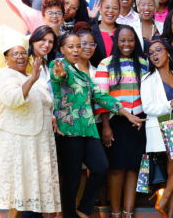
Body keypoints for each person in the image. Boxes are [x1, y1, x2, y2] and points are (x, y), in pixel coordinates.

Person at [50, 32, 145, 218]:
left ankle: (83, 210)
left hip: (89, 130)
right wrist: (60, 74)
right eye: (71, 46)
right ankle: (70, 215)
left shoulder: (84, 75)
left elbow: (101, 96)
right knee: (73, 179)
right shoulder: (59, 66)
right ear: (61, 49)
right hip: (69, 131)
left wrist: (127, 114)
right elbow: (58, 77)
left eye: (79, 46)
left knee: (101, 167)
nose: (76, 50)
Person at [0, 26, 61, 217]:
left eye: (22, 53)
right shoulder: (6, 76)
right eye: (14, 54)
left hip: (36, 143)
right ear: (6, 58)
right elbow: (13, 99)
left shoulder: (30, 77)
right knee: (19, 198)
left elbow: (44, 104)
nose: (20, 57)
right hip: (18, 143)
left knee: (31, 198)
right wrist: (32, 79)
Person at [94, 25, 149, 218]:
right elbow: (101, 97)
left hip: (139, 122)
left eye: (131, 40)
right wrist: (106, 127)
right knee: (116, 169)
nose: (127, 44)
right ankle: (115, 213)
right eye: (123, 40)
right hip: (115, 122)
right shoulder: (105, 64)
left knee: (133, 168)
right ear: (116, 42)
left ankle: (128, 213)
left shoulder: (143, 63)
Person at [141, 40, 173, 218]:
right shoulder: (148, 79)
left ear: (168, 53)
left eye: (158, 50)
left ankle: (167, 209)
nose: (154, 54)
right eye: (151, 53)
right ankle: (164, 200)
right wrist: (167, 105)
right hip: (162, 130)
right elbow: (147, 107)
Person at [90, 0, 124, 66]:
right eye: (107, 7)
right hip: (96, 75)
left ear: (119, 12)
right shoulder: (91, 32)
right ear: (100, 9)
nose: (110, 11)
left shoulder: (125, 31)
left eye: (115, 8)